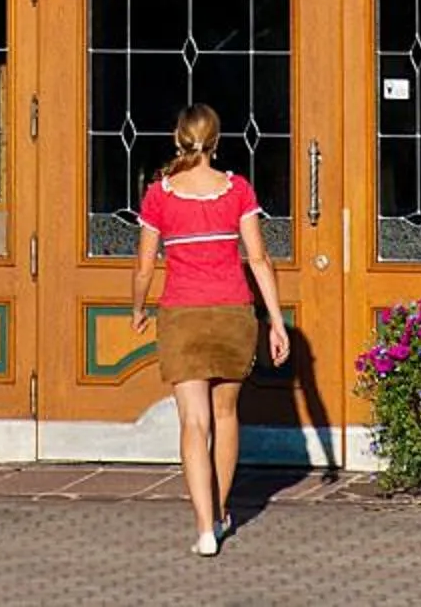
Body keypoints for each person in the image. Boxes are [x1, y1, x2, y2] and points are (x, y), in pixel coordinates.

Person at [131, 102, 290, 556]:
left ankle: (203, 528)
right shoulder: (236, 189)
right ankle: (221, 513)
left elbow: (144, 268)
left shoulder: (158, 195)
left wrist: (138, 308)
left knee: (193, 422)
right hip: (233, 312)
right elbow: (258, 259)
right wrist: (275, 321)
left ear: (177, 138)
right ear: (216, 142)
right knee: (225, 417)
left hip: (182, 315)